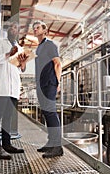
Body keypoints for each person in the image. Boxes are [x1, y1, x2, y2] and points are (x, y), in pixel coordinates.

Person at [0, 21, 28, 160]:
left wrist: (23, 65)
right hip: (1, 86)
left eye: (15, 27)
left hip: (13, 88)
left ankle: (7, 144)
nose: (13, 29)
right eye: (11, 27)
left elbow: (20, 70)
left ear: (18, 31)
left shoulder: (20, 48)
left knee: (8, 118)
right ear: (7, 30)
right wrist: (7, 54)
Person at [33, 20, 63, 158]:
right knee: (46, 113)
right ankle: (51, 143)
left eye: (38, 27)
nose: (35, 29)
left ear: (45, 31)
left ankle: (57, 147)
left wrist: (58, 82)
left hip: (50, 83)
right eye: (34, 28)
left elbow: (57, 63)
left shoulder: (50, 45)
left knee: (51, 113)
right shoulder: (38, 48)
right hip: (41, 84)